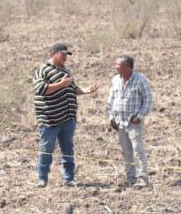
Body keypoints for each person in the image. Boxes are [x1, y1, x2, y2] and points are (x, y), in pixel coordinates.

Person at [31, 43, 97, 187]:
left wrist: (86, 90)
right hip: (50, 119)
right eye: (63, 54)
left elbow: (73, 89)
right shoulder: (43, 70)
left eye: (67, 54)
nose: (66, 57)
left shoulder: (65, 71)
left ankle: (69, 178)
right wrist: (60, 85)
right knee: (46, 149)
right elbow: (41, 89)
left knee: (68, 148)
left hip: (68, 118)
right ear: (53, 53)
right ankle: (42, 178)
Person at [105, 54, 154, 187]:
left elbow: (148, 99)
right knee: (126, 151)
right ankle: (131, 179)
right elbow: (111, 101)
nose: (116, 67)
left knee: (138, 150)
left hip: (133, 122)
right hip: (119, 122)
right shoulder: (115, 80)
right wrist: (111, 118)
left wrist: (140, 116)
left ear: (127, 67)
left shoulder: (139, 80)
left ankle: (143, 179)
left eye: (118, 65)